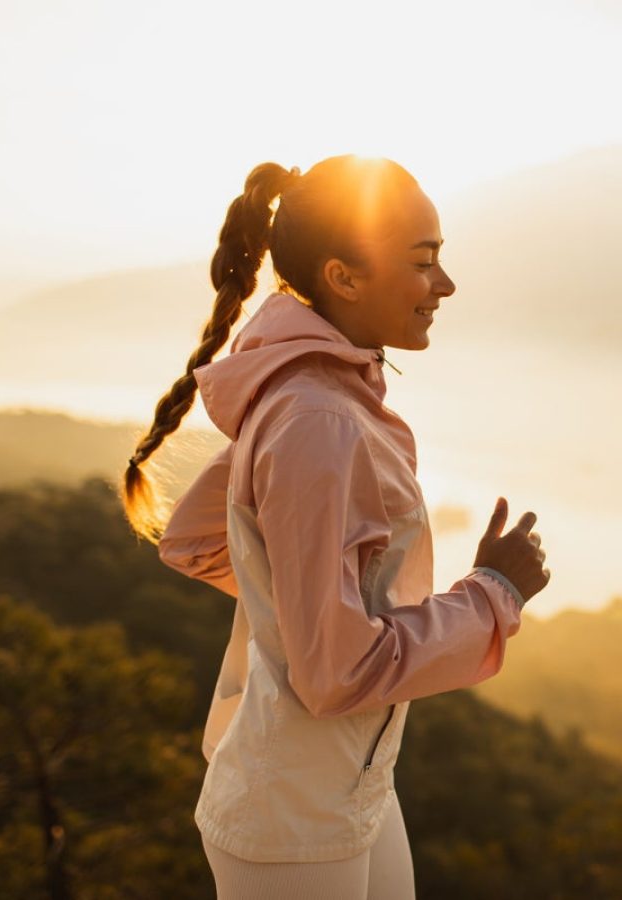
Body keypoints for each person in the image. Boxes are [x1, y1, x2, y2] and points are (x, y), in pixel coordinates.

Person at [119, 155, 551, 899]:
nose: (445, 286)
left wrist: (311, 601)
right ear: (343, 277)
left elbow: (195, 540)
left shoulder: (309, 394)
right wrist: (492, 594)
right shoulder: (317, 415)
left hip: (344, 780)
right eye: (424, 263)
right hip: (292, 816)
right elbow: (335, 670)